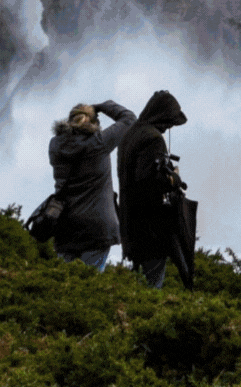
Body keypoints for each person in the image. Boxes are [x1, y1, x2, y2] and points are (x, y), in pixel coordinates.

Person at [49, 101, 136, 270]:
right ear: (94, 122)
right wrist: (104, 106)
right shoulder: (99, 142)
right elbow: (129, 119)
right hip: (96, 229)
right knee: (91, 285)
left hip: (65, 227)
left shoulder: (55, 145)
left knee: (64, 283)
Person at [117, 90, 190, 289]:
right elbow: (149, 183)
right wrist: (174, 178)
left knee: (138, 286)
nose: (169, 127)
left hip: (130, 226)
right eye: (169, 121)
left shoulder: (130, 135)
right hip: (150, 232)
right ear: (161, 116)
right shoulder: (153, 139)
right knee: (151, 289)